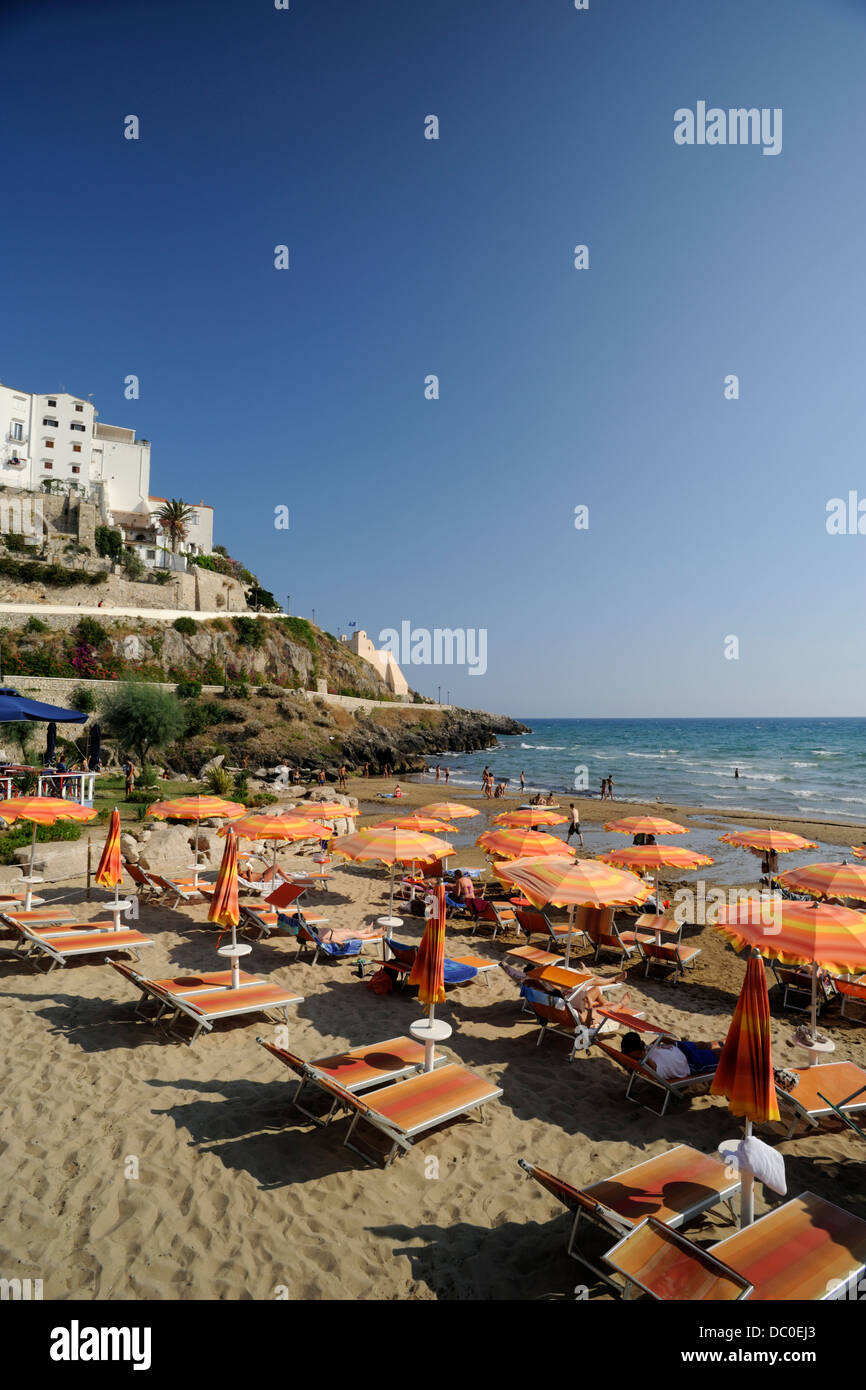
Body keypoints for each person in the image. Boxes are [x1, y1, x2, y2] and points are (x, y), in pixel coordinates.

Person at [620, 1031, 722, 1080]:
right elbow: (654, 1068)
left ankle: (730, 1039)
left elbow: (651, 1046)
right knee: (720, 1054)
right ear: (636, 1052)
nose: (643, 1045)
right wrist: (643, 1056)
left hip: (680, 1047)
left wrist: (659, 1040)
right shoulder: (648, 1064)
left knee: (704, 1044)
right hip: (691, 1062)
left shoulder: (642, 1051)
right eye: (640, 1045)